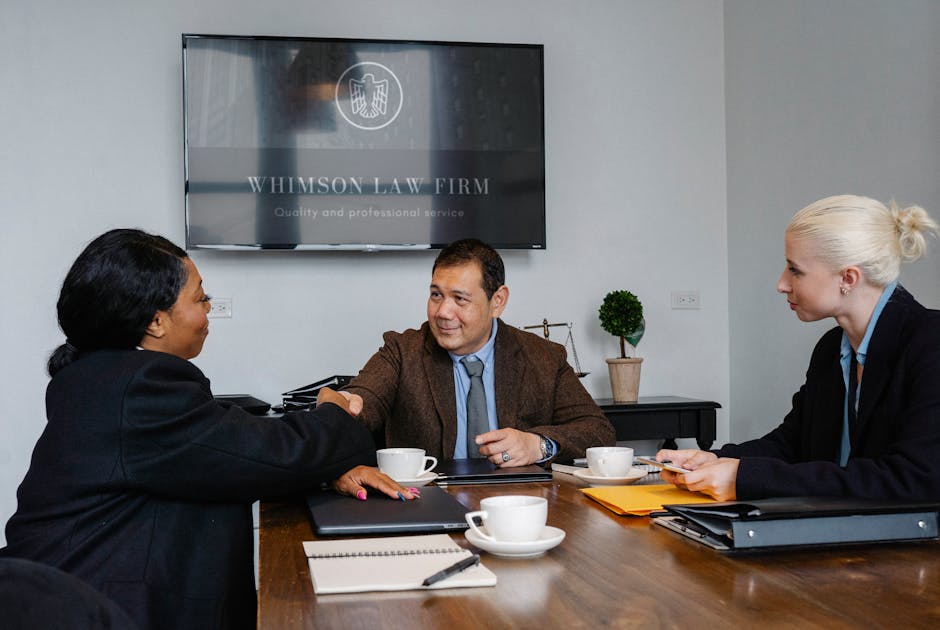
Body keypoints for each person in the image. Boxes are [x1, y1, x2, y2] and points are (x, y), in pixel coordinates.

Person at [0, 229, 415, 630]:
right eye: (200, 297)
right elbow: (265, 453)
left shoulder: (105, 380)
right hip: (97, 611)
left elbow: (221, 457)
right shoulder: (138, 389)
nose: (209, 308)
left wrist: (329, 470)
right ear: (156, 321)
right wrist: (334, 409)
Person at [657, 194, 940, 501]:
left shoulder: (930, 343)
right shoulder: (831, 348)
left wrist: (744, 478)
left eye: (795, 270)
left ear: (848, 277)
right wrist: (718, 459)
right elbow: (794, 444)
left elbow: (914, 480)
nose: (781, 283)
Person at [345, 238, 615, 467]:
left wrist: (537, 445)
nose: (442, 312)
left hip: (517, 505)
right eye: (436, 295)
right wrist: (344, 403)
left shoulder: (543, 357)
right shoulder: (403, 352)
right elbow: (364, 399)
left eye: (460, 299)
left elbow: (598, 431)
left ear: (497, 302)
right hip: (430, 505)